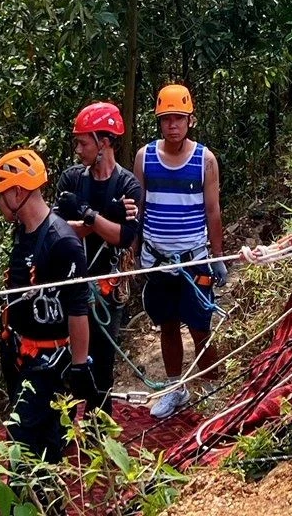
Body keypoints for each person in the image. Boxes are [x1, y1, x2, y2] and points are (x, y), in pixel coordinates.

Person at [0, 149, 96, 460]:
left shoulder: (61, 241)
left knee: (25, 443)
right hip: (23, 354)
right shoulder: (24, 230)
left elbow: (78, 308)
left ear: (18, 192)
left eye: (0, 195)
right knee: (38, 442)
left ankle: (31, 500)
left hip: (51, 363)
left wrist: (79, 367)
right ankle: (45, 498)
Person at [134, 83, 225, 420]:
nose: (172, 125)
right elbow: (139, 209)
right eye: (166, 119)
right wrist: (132, 251)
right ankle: (177, 388)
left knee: (201, 326)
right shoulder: (145, 158)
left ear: (190, 120)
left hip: (193, 259)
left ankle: (213, 390)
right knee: (168, 326)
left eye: (178, 118)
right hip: (157, 259)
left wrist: (217, 258)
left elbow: (213, 211)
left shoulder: (205, 160)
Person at [56, 101, 144, 412]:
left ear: (103, 142)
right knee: (65, 363)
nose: (78, 150)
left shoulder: (128, 184)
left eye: (82, 142)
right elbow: (59, 231)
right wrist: (102, 219)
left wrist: (85, 215)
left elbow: (124, 236)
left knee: (102, 363)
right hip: (69, 283)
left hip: (108, 288)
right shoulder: (71, 180)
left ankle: (97, 432)